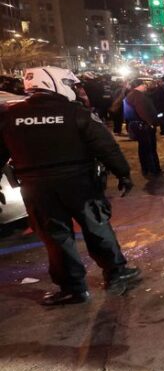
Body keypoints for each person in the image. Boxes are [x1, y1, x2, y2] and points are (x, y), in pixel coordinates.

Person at [0, 67, 139, 306]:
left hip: (37, 189)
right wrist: (123, 174)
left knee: (56, 237)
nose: (74, 89)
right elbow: (106, 147)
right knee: (97, 229)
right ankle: (116, 273)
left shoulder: (10, 116)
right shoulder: (75, 112)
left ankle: (73, 288)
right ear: (54, 83)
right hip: (79, 184)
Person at [123, 79, 163, 178]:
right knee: (149, 148)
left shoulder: (133, 94)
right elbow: (142, 111)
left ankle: (147, 169)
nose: (146, 86)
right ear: (139, 85)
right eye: (144, 84)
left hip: (139, 126)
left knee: (143, 148)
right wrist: (150, 123)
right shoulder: (138, 96)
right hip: (144, 126)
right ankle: (153, 169)